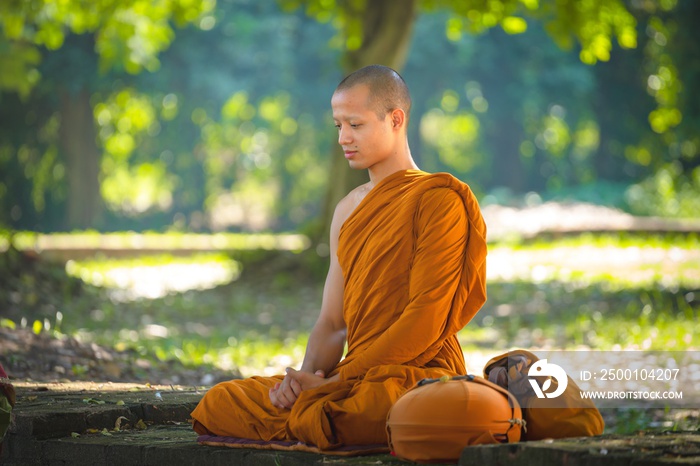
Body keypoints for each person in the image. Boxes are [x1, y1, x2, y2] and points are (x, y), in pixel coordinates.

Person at [190, 64, 488, 452]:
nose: (344, 137)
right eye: (338, 126)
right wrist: (299, 383)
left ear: (395, 119)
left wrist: (338, 381)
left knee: (383, 410)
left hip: (416, 374)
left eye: (356, 125)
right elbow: (332, 322)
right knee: (220, 402)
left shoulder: (439, 199)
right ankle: (313, 414)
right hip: (350, 380)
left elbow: (427, 317)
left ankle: (323, 415)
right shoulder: (348, 209)